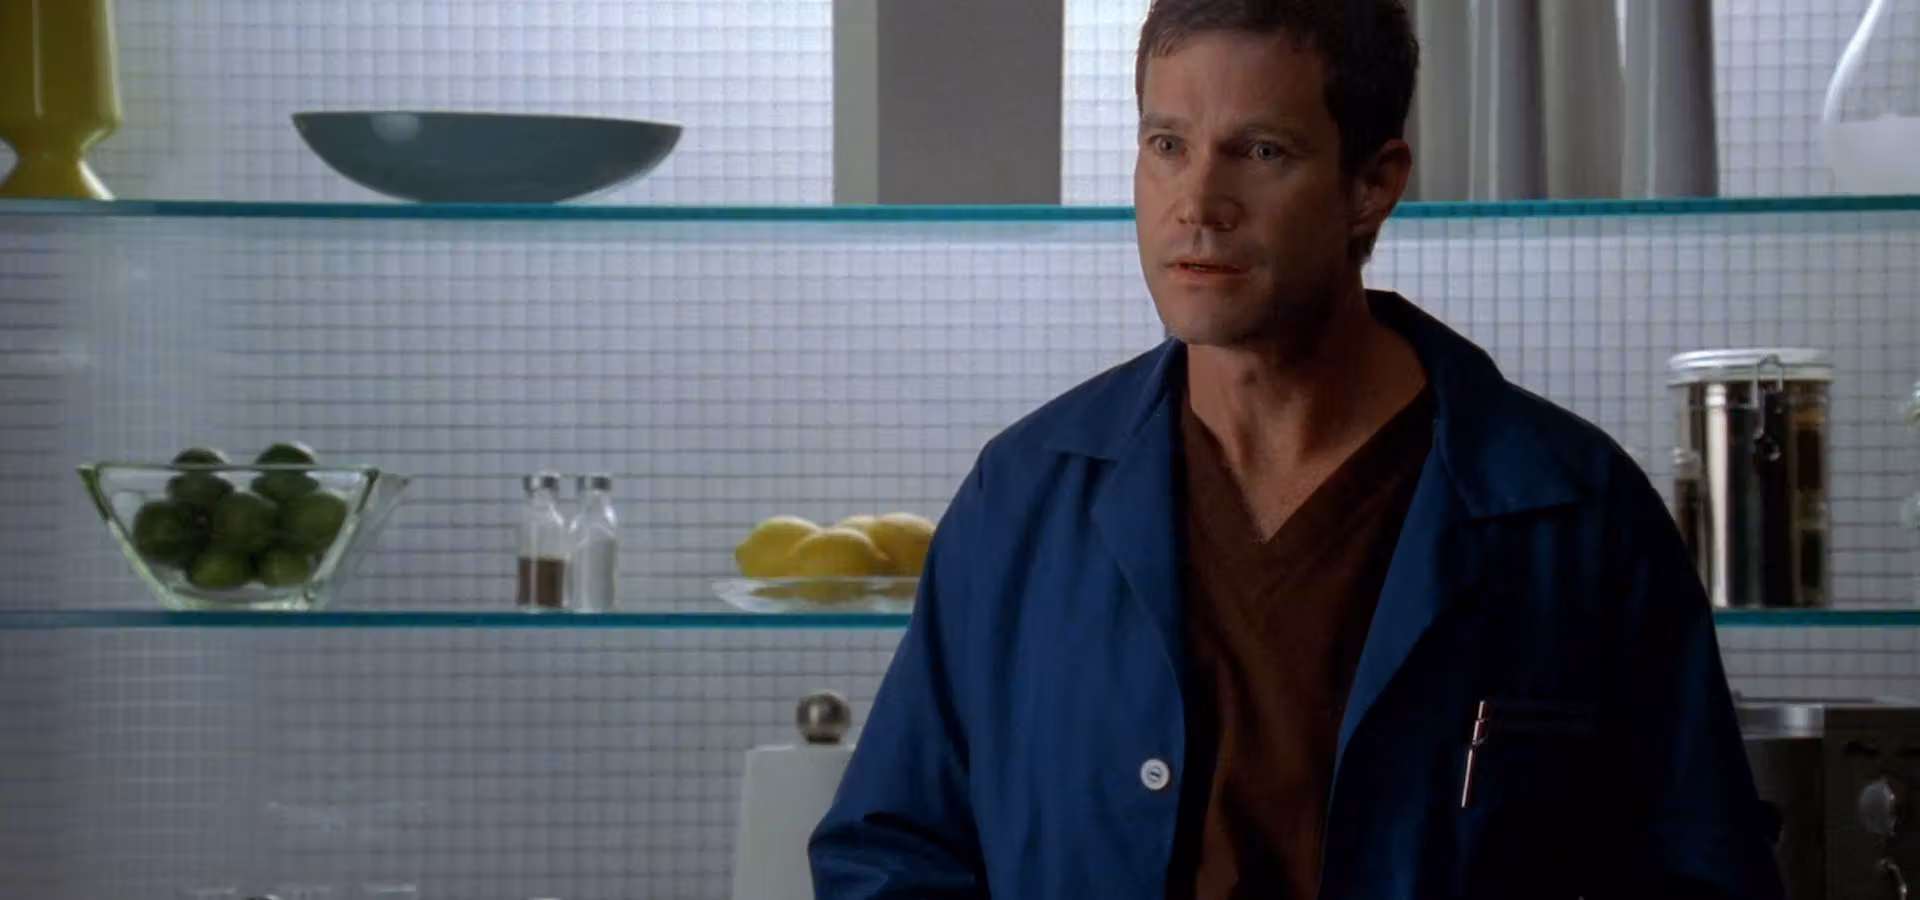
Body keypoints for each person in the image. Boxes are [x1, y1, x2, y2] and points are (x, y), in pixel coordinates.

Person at [809, 0, 1784, 897]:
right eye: (1167, 145)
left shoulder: (1575, 515)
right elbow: (891, 853)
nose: (1199, 202)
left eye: (1261, 151)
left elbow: (1703, 875)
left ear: (1373, 185)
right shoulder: (1025, 497)